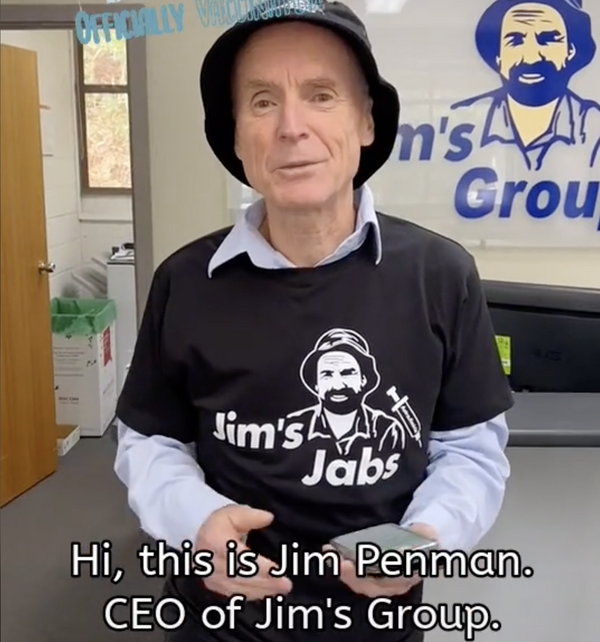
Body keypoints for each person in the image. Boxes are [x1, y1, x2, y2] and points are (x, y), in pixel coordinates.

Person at [114, 2, 514, 641]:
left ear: (366, 121)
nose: (291, 127)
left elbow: (469, 448)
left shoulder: (441, 274)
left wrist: (425, 537)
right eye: (263, 102)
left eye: (321, 95)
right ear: (236, 136)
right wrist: (199, 523)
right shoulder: (184, 281)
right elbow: (151, 441)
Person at [451, 0, 600, 170]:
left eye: (547, 39)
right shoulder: (461, 120)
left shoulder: (594, 125)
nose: (531, 57)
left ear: (570, 51)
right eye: (515, 41)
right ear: (498, 55)